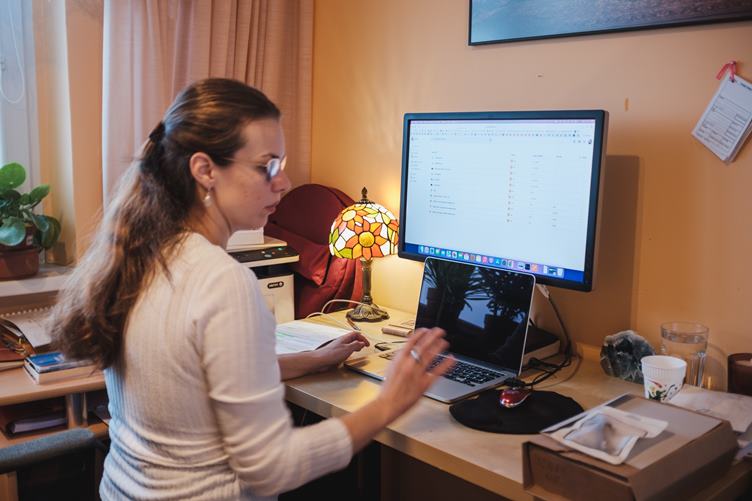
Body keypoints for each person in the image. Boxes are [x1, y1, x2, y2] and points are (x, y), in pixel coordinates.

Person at [50, 78, 454, 500]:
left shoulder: (142, 252)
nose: (284, 182)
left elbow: (195, 378)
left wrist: (309, 361)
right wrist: (390, 402)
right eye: (267, 167)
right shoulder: (222, 281)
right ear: (205, 170)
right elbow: (272, 468)